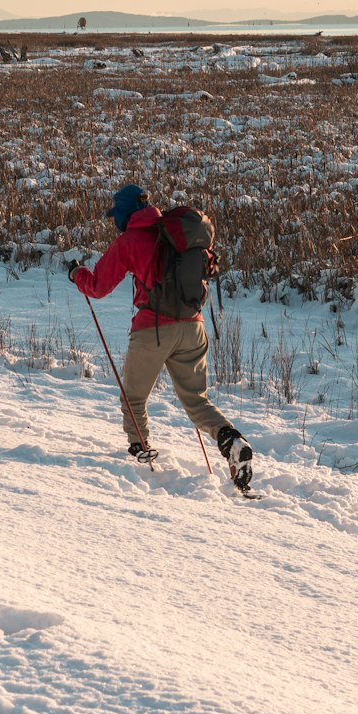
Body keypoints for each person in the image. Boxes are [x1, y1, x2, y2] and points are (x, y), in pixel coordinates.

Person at [69, 183, 253, 489]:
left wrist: (77, 274)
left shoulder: (130, 240)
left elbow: (98, 287)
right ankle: (230, 439)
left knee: (134, 396)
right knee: (196, 401)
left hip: (154, 328)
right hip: (193, 327)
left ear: (124, 214)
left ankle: (140, 450)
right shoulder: (175, 235)